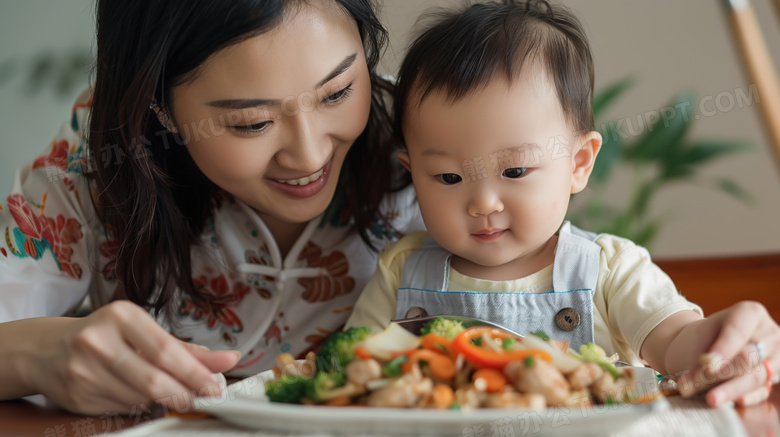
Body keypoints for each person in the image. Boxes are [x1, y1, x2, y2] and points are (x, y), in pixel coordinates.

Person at [346, 0, 779, 408]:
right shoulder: (400, 271)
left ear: (579, 163)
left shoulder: (609, 269)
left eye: (514, 172)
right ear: (412, 172)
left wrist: (716, 345)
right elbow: (346, 372)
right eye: (448, 177)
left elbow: (677, 344)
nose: (482, 203)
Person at [0, 0, 424, 415]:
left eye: (338, 92)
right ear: (160, 109)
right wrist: (37, 354)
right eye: (252, 123)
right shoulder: (105, 156)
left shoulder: (435, 138)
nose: (310, 157)